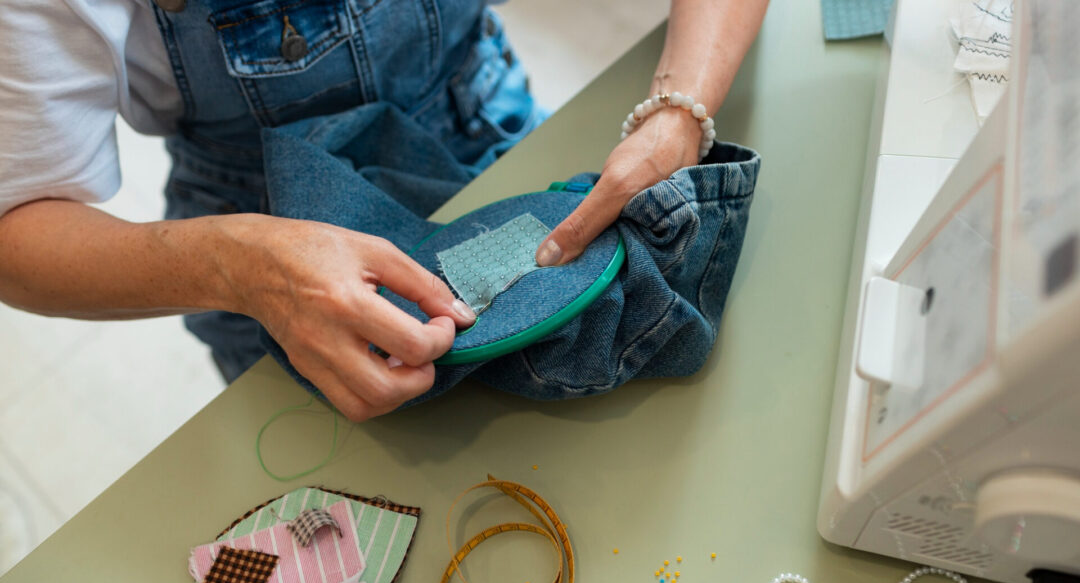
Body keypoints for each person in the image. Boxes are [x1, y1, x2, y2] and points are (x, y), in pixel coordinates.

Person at [0, 0, 768, 421]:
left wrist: (678, 110)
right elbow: (18, 231)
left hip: (488, 124)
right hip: (264, 229)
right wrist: (242, 265)